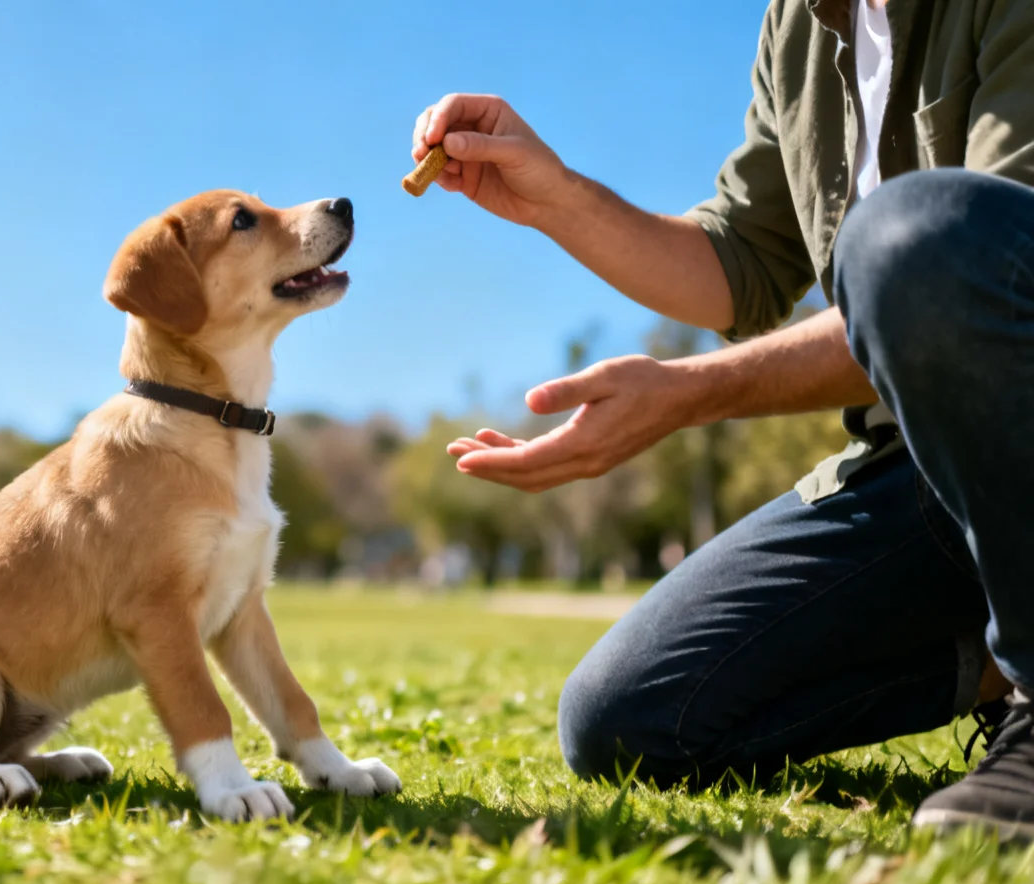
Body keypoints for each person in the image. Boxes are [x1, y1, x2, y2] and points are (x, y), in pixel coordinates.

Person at [413, 0, 1034, 840]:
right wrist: (552, 195)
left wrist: (690, 392)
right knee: (629, 716)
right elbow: (739, 267)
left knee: (905, 238)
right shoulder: (802, 23)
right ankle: (997, 656)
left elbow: (957, 284)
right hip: (923, 468)